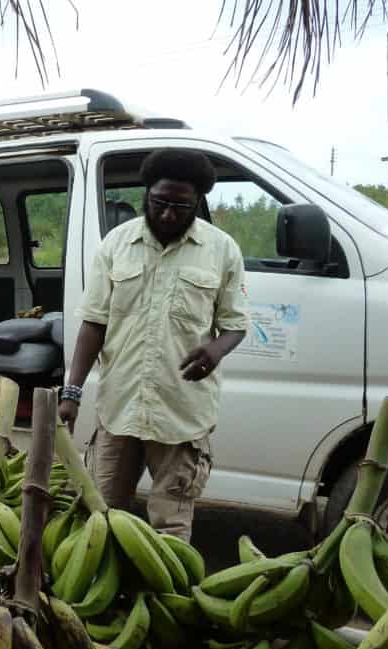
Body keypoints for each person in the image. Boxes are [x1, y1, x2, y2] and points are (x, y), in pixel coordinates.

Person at [58, 149, 249, 541]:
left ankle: (165, 600)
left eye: (181, 206)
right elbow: (94, 322)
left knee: (171, 526)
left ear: (198, 202)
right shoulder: (116, 244)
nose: (167, 214)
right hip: (120, 408)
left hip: (181, 413)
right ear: (146, 194)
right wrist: (72, 391)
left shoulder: (222, 249)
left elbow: (236, 325)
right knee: (101, 515)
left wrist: (215, 351)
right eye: (160, 202)